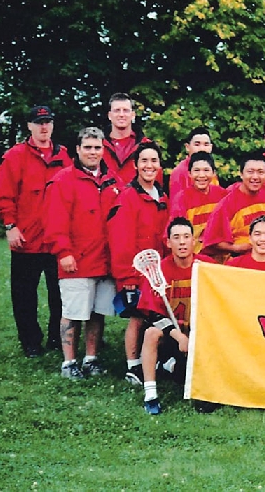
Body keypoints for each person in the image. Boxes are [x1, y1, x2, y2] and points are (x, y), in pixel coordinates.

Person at [44, 127, 123, 379]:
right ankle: (69, 362)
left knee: (97, 312)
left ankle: (91, 358)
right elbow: (54, 221)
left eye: (97, 147)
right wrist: (63, 252)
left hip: (105, 260)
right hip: (76, 260)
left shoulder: (113, 181)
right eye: (87, 147)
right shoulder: (62, 180)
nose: (92, 152)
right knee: (73, 312)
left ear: (103, 150)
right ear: (77, 150)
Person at [0, 105, 72, 357]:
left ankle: (57, 338)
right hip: (26, 238)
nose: (44, 126)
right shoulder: (15, 156)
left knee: (59, 295)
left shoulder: (65, 156)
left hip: (56, 240)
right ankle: (30, 342)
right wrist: (10, 225)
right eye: (38, 122)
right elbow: (4, 194)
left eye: (48, 121)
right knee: (24, 295)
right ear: (29, 126)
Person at [107, 141, 170, 385]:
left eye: (154, 161)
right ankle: (133, 365)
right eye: (144, 161)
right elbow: (120, 238)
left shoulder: (161, 195)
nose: (149, 165)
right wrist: (127, 277)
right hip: (136, 271)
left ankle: (152, 360)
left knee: (153, 316)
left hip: (157, 271)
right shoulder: (129, 196)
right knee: (137, 317)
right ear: (135, 165)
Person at [137, 217, 215, 414]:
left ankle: (171, 367)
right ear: (168, 242)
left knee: (183, 375)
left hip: (200, 333)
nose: (182, 242)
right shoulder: (159, 270)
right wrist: (179, 336)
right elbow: (153, 314)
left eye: (186, 237)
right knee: (151, 333)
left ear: (194, 241)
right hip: (172, 333)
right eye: (176, 237)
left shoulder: (208, 266)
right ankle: (151, 394)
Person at [201, 154, 265, 262]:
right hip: (239, 262)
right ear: (241, 174)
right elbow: (211, 240)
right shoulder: (227, 204)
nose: (255, 177)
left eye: (260, 172)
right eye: (250, 172)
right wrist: (235, 248)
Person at [169, 152, 227, 254]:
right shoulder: (182, 199)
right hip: (194, 256)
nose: (201, 175)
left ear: (213, 173)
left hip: (221, 255)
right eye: (196, 170)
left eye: (206, 170)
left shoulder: (222, 195)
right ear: (189, 173)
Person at [101, 92, 154, 184]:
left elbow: (156, 183)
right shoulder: (97, 147)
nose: (121, 115)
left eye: (125, 110)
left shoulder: (146, 146)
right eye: (117, 110)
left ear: (133, 115)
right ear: (109, 115)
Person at [168, 127, 220, 200]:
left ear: (211, 147)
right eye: (197, 144)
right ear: (187, 147)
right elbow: (175, 204)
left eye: (206, 144)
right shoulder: (179, 172)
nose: (202, 148)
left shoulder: (210, 168)